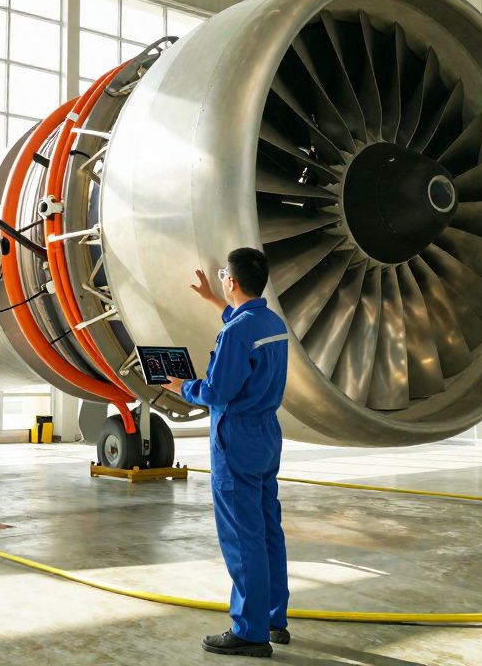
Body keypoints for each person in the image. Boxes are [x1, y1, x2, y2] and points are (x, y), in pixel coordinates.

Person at [163, 247, 290, 658]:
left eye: (223, 277)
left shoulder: (236, 333)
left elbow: (217, 391)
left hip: (236, 438)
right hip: (266, 435)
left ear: (232, 281)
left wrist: (180, 387)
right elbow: (242, 328)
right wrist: (213, 300)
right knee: (268, 529)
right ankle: (273, 618)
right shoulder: (272, 324)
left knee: (242, 535)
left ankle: (249, 631)